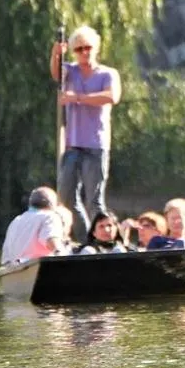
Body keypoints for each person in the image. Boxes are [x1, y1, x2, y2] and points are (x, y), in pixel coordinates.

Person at [50, 25, 121, 241]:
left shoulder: (108, 74)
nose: (84, 52)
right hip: (72, 144)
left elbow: (111, 97)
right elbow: (56, 73)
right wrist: (56, 54)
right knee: (65, 195)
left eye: (87, 48)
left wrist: (77, 98)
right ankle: (86, 237)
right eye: (79, 49)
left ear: (96, 48)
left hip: (96, 145)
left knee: (94, 199)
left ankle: (104, 239)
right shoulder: (70, 71)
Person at [0, 187, 66, 264]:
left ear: (30, 203)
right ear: (52, 204)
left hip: (15, 269)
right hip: (41, 268)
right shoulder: (50, 216)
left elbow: (6, 258)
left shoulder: (15, 221)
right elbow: (51, 240)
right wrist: (61, 254)